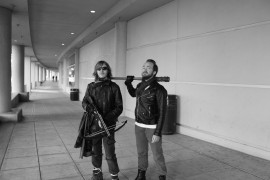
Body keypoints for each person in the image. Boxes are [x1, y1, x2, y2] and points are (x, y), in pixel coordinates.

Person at [125, 59, 167, 180]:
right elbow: (134, 94)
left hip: (152, 127)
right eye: (143, 67)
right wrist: (128, 84)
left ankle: (162, 175)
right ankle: (141, 173)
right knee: (141, 152)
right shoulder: (140, 86)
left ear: (154, 72)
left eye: (148, 67)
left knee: (157, 154)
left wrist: (158, 132)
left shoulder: (159, 90)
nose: (144, 69)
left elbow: (163, 112)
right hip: (139, 125)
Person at [82, 60, 123, 180]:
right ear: (96, 71)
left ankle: (114, 175)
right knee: (96, 150)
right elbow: (84, 102)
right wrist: (89, 108)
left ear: (108, 70)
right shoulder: (91, 86)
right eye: (99, 69)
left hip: (108, 125)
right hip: (94, 124)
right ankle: (97, 173)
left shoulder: (114, 87)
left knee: (110, 152)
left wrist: (105, 118)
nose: (101, 71)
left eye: (104, 68)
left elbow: (119, 107)